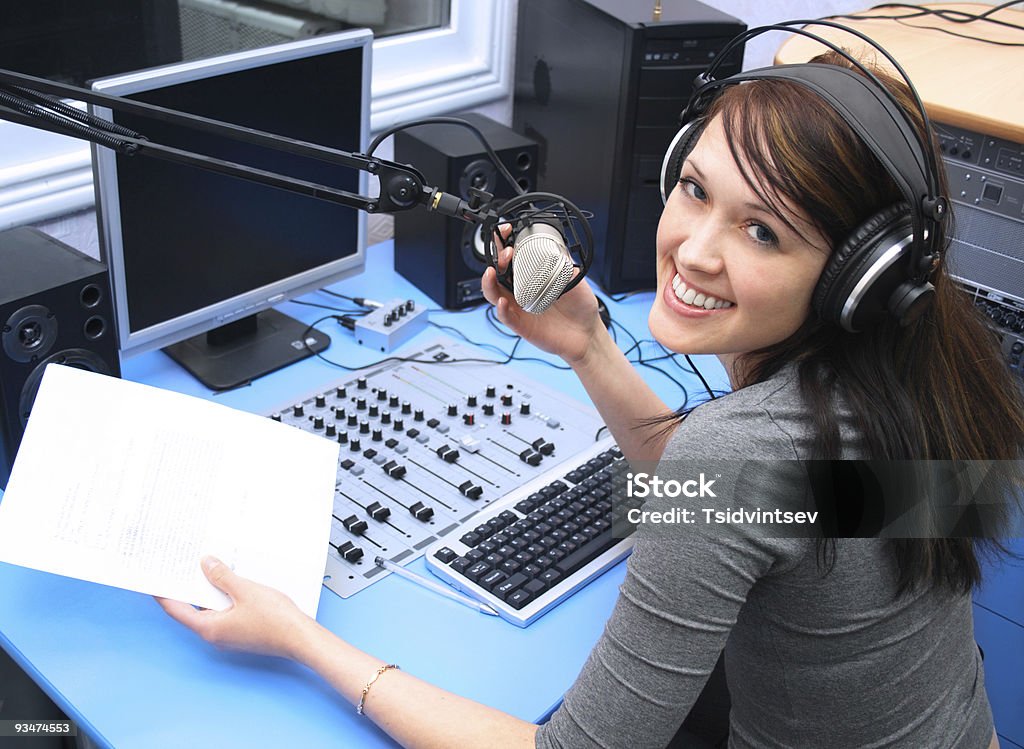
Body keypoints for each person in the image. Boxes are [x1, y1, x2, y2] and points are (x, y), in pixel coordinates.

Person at [158, 47, 1023, 748]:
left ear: (852, 276)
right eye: (695, 190)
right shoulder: (915, 372)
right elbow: (752, 502)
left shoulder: (741, 451)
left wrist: (299, 637)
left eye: (762, 230)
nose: (693, 252)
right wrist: (586, 343)